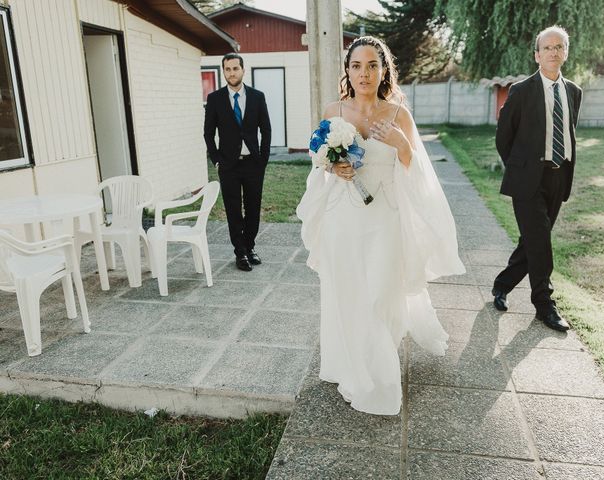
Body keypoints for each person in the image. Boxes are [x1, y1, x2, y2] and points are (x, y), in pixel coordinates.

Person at [297, 36, 465, 415]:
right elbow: (319, 164)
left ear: (384, 69)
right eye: (356, 66)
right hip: (344, 216)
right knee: (348, 292)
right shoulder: (333, 110)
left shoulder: (398, 113)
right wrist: (332, 167)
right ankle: (350, 364)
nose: (364, 73)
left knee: (379, 293)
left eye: (372, 65)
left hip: (384, 217)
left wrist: (403, 145)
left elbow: (417, 170)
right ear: (348, 70)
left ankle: (378, 371)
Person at [491, 25, 582, 331]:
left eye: (559, 47)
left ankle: (501, 284)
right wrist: (519, 168)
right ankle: (544, 304)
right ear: (537, 55)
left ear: (565, 53)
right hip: (527, 178)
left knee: (533, 240)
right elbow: (504, 137)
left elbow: (568, 131)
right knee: (540, 241)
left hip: (559, 177)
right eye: (547, 48)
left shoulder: (574, 92)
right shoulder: (521, 91)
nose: (553, 52)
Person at [204, 53, 271, 271]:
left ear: (243, 70)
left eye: (235, 68)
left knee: (253, 208)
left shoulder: (257, 97)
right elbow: (208, 133)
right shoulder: (214, 99)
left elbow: (266, 129)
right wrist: (216, 160)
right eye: (228, 69)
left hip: (253, 163)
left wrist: (263, 159)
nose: (232, 73)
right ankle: (239, 252)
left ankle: (250, 247)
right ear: (223, 72)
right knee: (233, 210)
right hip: (228, 165)